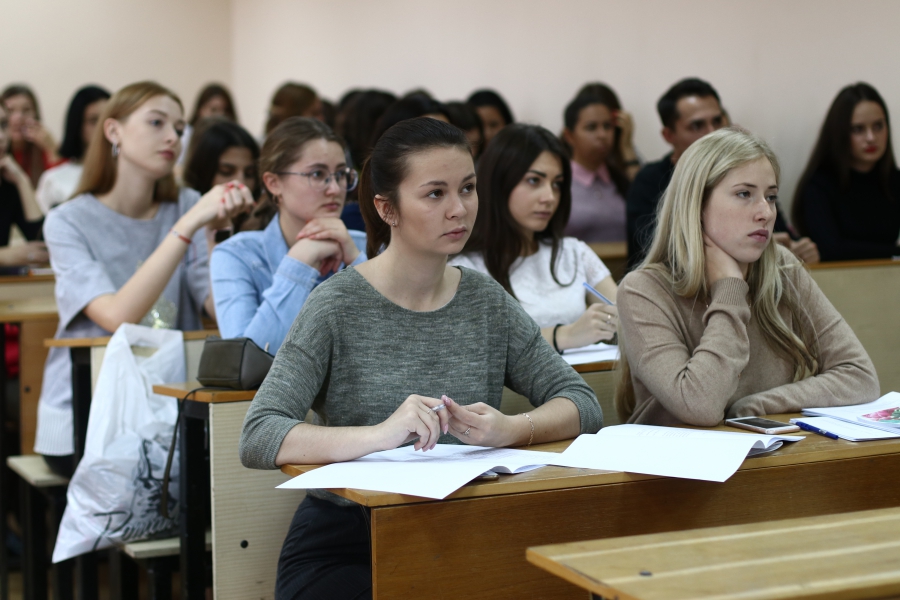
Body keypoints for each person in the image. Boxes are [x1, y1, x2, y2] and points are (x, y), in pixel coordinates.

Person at [239, 117, 601, 599]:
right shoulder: (336, 304)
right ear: (386, 208)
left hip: (465, 529)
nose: (459, 209)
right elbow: (259, 433)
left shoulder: (485, 301)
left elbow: (581, 402)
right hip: (351, 538)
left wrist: (512, 429)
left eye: (467, 189)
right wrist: (380, 436)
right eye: (435, 194)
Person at [35, 81, 254, 477]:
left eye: (180, 129)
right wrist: (188, 225)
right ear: (113, 131)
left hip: (168, 405)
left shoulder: (187, 204)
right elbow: (116, 316)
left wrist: (216, 235)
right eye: (157, 123)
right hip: (86, 411)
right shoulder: (67, 221)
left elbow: (218, 308)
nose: (173, 137)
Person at [615, 128, 879, 427]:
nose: (766, 212)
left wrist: (759, 405)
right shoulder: (643, 290)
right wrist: (729, 290)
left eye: (771, 197)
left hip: (763, 451)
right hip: (677, 456)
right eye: (744, 194)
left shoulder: (782, 268)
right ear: (697, 204)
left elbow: (859, 375)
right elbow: (700, 406)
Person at [451, 124, 617, 351]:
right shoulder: (465, 269)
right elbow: (473, 346)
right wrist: (563, 335)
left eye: (557, 184)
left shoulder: (573, 253)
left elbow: (624, 315)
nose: (549, 197)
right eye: (534, 181)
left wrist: (616, 322)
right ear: (500, 182)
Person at [626, 78, 818, 269]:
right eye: (697, 125)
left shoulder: (748, 174)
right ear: (669, 135)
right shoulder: (649, 181)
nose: (712, 132)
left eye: (717, 121)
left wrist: (799, 250)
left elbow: (784, 236)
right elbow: (657, 248)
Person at [211, 117, 366, 352]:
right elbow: (246, 357)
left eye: (341, 174)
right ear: (273, 183)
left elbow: (402, 344)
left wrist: (357, 264)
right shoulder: (237, 255)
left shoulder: (367, 247)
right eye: (317, 174)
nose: (335, 188)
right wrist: (299, 263)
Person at [792, 83, 900, 261]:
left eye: (878, 126)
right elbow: (832, 250)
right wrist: (895, 251)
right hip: (835, 278)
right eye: (858, 129)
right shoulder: (819, 186)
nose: (871, 137)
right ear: (840, 132)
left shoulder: (894, 181)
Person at [561, 86, 637, 243]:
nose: (602, 135)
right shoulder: (560, 181)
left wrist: (627, 147)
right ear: (569, 136)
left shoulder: (620, 177)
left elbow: (647, 209)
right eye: (591, 127)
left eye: (607, 126)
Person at [35, 85, 111, 213]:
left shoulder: (128, 173)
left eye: (108, 118)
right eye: (94, 121)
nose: (104, 127)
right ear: (77, 125)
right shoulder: (54, 180)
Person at [182, 117, 260, 232]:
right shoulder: (181, 210)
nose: (240, 182)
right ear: (203, 171)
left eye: (249, 173)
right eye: (226, 171)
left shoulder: (261, 220)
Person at [0, 102, 48, 265]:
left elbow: (42, 244)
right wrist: (4, 256)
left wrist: (22, 181)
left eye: (3, 125)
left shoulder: (8, 183)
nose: (1, 137)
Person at [1, 85, 62, 186]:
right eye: (10, 110)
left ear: (36, 115)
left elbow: (62, 187)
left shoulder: (44, 149)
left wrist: (52, 149)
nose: (19, 117)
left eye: (26, 110)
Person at [178, 83, 238, 165]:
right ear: (200, 110)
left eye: (226, 111)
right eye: (214, 110)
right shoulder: (185, 135)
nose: (220, 116)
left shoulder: (236, 141)